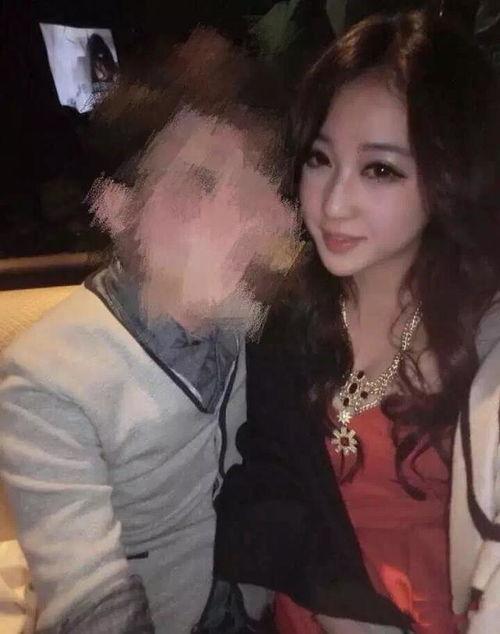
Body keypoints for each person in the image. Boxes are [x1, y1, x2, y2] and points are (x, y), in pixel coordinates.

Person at [0, 29, 300, 634]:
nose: (242, 217)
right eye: (200, 184)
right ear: (118, 209)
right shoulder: (46, 375)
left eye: (254, 181)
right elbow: (91, 601)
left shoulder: (249, 320)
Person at [214, 8, 500, 634]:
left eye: (380, 169)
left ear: (450, 177)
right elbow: (264, 482)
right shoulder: (280, 312)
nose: (333, 203)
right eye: (320, 159)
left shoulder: (485, 335)